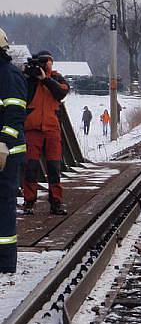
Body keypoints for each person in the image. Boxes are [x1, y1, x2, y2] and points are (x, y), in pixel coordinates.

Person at [23, 50, 70, 216]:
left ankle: (56, 202)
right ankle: (29, 202)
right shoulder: (29, 80)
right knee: (30, 166)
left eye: (45, 62)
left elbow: (62, 92)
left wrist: (46, 79)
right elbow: (22, 96)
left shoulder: (56, 78)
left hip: (51, 129)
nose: (42, 66)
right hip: (33, 128)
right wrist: (30, 77)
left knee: (53, 168)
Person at [0, 28, 27, 273]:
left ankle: (6, 262)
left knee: (4, 202)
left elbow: (16, 114)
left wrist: (2, 143)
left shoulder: (9, 75)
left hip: (6, 153)